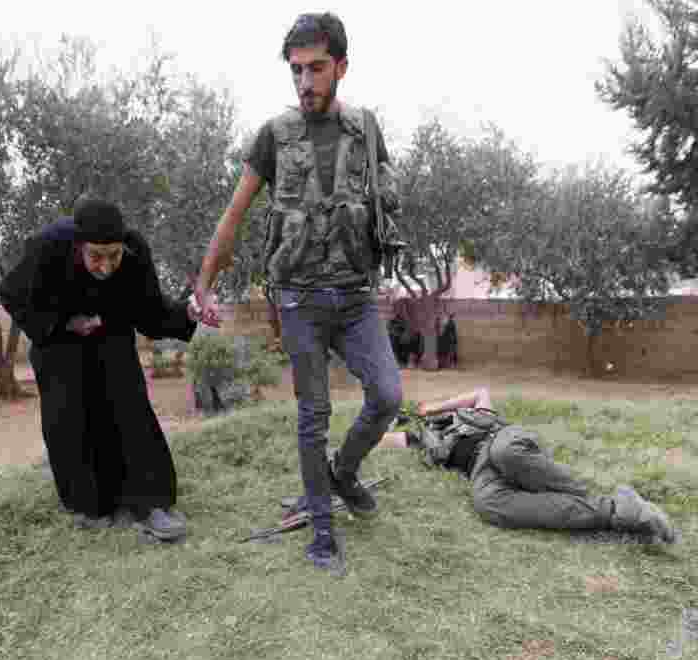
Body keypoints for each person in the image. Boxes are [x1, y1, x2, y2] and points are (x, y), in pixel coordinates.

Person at [193, 12, 403, 568]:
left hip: (356, 297)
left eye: (315, 69)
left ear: (341, 67)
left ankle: (344, 473)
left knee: (388, 397)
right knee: (313, 414)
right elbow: (235, 213)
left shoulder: (368, 129)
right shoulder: (275, 135)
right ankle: (324, 531)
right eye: (296, 71)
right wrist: (205, 282)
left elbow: (385, 206)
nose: (304, 82)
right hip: (299, 299)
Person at [0, 198, 213, 540]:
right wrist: (64, 324)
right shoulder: (48, 247)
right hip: (58, 343)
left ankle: (150, 503)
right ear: (78, 246)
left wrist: (187, 314)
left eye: (114, 255)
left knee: (130, 409)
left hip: (112, 336)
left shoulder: (135, 251)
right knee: (71, 419)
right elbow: (11, 294)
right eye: (95, 256)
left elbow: (150, 311)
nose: (106, 266)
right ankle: (90, 506)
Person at [379, 387, 679, 543]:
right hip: (479, 471)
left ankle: (615, 505)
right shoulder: (422, 438)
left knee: (506, 454)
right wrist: (381, 424)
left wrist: (439, 405)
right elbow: (381, 440)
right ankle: (618, 510)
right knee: (487, 505)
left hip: (502, 440)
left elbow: (480, 392)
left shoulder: (467, 414)